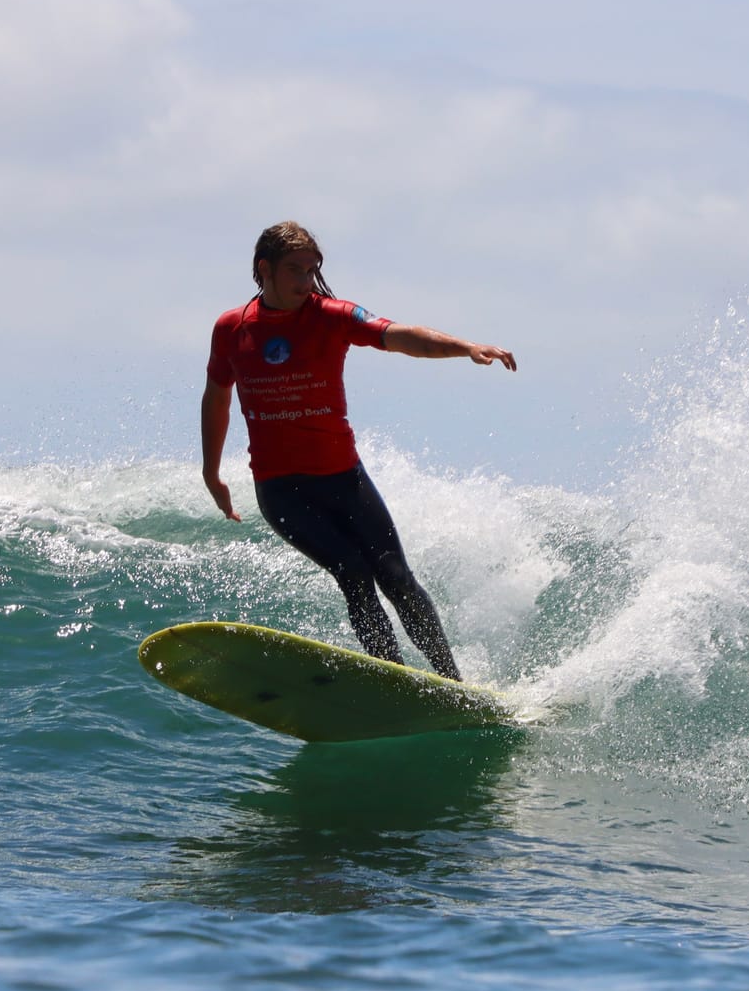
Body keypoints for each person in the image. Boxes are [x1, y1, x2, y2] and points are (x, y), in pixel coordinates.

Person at [200, 221, 516, 680]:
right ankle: (395, 682)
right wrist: (211, 473)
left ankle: (452, 683)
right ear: (264, 269)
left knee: (397, 579)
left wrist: (465, 347)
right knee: (352, 571)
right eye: (295, 270)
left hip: (344, 479)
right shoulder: (231, 329)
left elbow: (402, 336)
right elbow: (216, 397)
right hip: (281, 490)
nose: (306, 281)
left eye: (312, 270)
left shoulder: (332, 316)